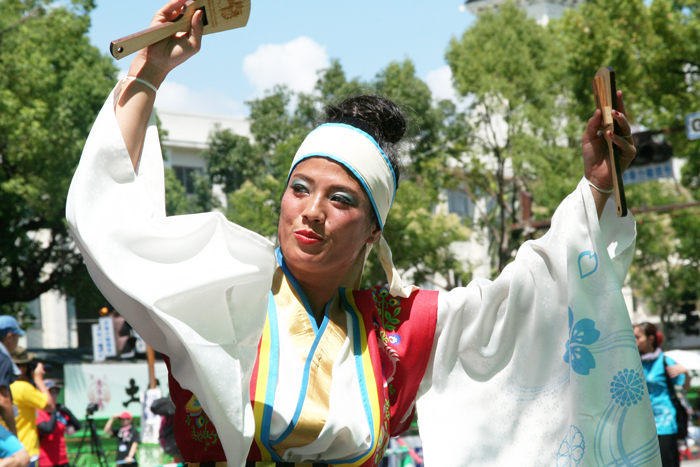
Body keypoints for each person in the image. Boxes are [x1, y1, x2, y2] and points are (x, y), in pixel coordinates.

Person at [65, 1, 656, 465]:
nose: (312, 210)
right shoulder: (223, 284)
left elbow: (534, 297)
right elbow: (111, 223)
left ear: (374, 231)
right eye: (300, 188)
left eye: (341, 198)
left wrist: (597, 190)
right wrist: (149, 73)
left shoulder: (402, 332)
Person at [634, 322, 690, 467]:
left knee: (667, 463)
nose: (634, 341)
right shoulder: (633, 362)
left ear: (650, 338)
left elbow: (687, 388)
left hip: (664, 423)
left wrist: (686, 373)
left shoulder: (664, 361)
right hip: (640, 424)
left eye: (637, 337)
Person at [9, 349, 54, 467]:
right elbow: (50, 405)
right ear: (22, 368)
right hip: (25, 451)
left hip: (6, 454)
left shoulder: (5, 387)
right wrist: (38, 379)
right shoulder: (23, 388)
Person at [36, 380, 81, 467]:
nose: (54, 395)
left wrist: (68, 411)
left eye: (56, 392)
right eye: (51, 392)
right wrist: (53, 411)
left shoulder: (60, 412)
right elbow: (48, 429)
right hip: (46, 461)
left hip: (63, 460)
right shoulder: (38, 412)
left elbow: (77, 426)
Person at [0, 317, 23, 436]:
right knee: (21, 454)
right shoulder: (3, 359)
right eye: (17, 336)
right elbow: (3, 400)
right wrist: (13, 431)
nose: (18, 341)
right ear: (9, 337)